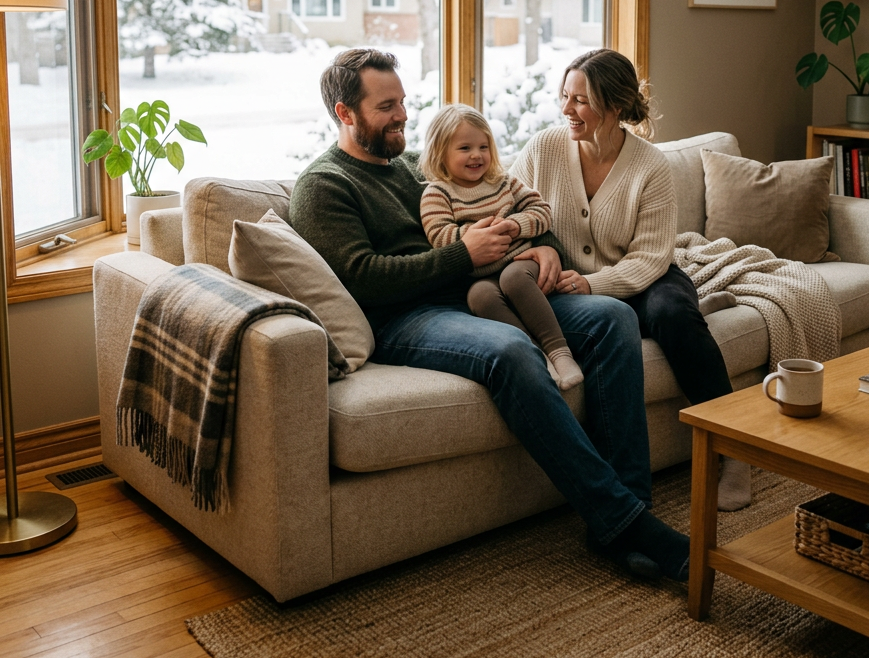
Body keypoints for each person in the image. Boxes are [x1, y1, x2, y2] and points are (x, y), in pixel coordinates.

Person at [289, 48, 693, 583]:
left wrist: (544, 245)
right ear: (346, 113)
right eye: (387, 106)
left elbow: (502, 205)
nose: (403, 115)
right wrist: (463, 255)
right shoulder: (324, 186)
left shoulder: (417, 168)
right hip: (405, 318)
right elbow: (362, 277)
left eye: (404, 102)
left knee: (611, 318)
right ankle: (627, 524)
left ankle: (629, 507)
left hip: (481, 290)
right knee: (510, 350)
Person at [511, 48, 752, 512]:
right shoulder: (544, 148)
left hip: (646, 274)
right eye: (564, 97)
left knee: (670, 313)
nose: (566, 110)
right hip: (568, 285)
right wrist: (538, 250)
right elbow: (515, 212)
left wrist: (593, 285)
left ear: (614, 106)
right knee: (619, 322)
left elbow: (651, 257)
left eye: (580, 101)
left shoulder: (649, 166)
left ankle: (735, 450)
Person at [420, 104, 584, 391]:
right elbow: (439, 236)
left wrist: (516, 225)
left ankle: (560, 351)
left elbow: (542, 210)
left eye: (484, 146)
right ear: (440, 153)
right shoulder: (437, 193)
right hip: (480, 274)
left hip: (520, 258)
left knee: (513, 278)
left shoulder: (502, 181)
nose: (476, 155)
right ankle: (537, 354)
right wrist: (480, 234)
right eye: (464, 148)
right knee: (480, 297)